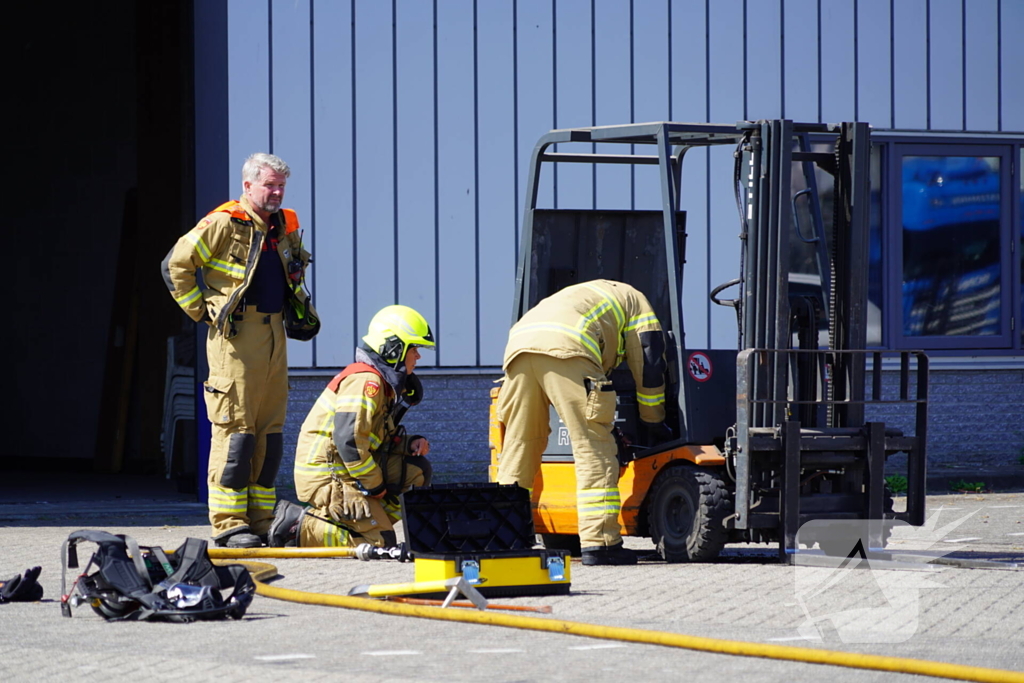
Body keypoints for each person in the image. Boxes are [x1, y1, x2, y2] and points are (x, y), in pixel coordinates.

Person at [162, 153, 319, 548]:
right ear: (247, 186)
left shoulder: (285, 224)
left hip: (274, 333)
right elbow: (175, 265)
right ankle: (229, 523)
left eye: (281, 185)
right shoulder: (223, 222)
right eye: (269, 185)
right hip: (235, 338)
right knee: (235, 433)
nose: (277, 192)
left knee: (269, 434)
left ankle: (261, 519)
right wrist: (202, 310)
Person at [494, 280, 671, 565]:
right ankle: (600, 543)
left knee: (519, 448)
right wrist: (654, 419)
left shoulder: (582, 295)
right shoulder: (637, 301)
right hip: (569, 349)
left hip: (518, 348)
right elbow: (648, 361)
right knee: (594, 450)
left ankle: (503, 537)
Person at [268, 305, 435, 548]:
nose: (418, 356)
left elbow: (374, 438)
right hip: (328, 476)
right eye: (414, 349)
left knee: (416, 470)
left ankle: (362, 520)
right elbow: (350, 441)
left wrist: (410, 444)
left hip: (346, 470)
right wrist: (374, 484)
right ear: (394, 349)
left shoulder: (380, 384)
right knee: (380, 542)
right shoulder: (366, 381)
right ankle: (298, 526)